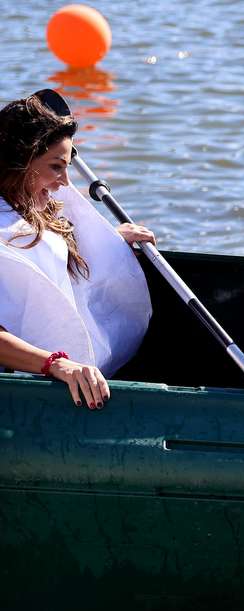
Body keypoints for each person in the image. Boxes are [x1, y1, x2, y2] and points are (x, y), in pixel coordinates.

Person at [0, 93, 154, 409]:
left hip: (68, 376)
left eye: (67, 166)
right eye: (56, 167)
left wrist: (111, 242)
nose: (64, 182)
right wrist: (56, 364)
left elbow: (44, 265)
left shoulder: (28, 207)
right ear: (20, 161)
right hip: (23, 387)